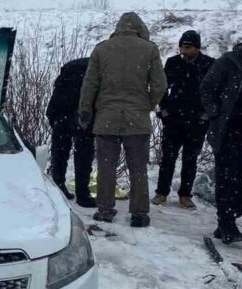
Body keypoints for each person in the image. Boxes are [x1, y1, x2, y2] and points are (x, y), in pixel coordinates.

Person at [79, 12, 167, 228]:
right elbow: (160, 86)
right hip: (137, 119)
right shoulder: (149, 49)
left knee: (106, 166)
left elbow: (90, 84)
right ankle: (139, 213)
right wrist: (146, 104)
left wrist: (85, 110)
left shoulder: (102, 49)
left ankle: (106, 210)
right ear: (140, 29)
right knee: (138, 167)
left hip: (106, 117)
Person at [152, 31, 215, 209]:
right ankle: (161, 192)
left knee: (190, 159)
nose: (183, 51)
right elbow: (162, 87)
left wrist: (207, 113)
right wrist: (163, 109)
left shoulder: (209, 64)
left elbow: (214, 91)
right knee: (168, 158)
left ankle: (185, 195)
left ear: (197, 47)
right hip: (174, 119)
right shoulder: (173, 63)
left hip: (198, 121)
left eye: (188, 47)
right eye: (181, 46)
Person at [200, 41, 242, 244]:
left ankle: (228, 219)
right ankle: (226, 223)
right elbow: (206, 87)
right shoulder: (228, 62)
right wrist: (216, 112)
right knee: (227, 178)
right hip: (229, 131)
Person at [45, 58, 97, 207]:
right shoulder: (95, 69)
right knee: (84, 155)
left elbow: (56, 94)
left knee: (60, 152)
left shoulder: (69, 69)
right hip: (82, 116)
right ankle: (82, 194)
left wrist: (53, 116)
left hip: (61, 114)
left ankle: (58, 185)